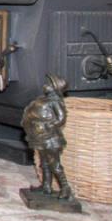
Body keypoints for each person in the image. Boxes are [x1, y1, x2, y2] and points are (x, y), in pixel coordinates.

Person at [22, 74, 75, 202]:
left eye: (50, 84)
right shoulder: (43, 99)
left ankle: (65, 188)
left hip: (50, 138)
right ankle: (46, 186)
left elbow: (61, 118)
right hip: (39, 136)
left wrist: (48, 126)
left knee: (54, 164)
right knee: (44, 163)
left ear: (55, 88)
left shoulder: (55, 102)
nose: (46, 85)